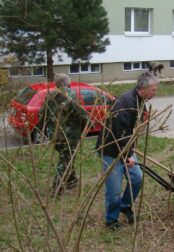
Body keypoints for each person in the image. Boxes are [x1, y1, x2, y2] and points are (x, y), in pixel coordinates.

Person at [96, 71, 159, 230]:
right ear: (143, 88)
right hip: (111, 149)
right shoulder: (126, 102)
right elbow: (120, 133)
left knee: (137, 178)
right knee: (114, 188)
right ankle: (111, 219)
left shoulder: (139, 100)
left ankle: (125, 206)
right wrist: (128, 155)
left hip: (125, 147)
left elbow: (132, 129)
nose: (155, 92)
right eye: (153, 89)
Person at [38, 73, 88, 197]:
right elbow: (79, 112)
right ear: (66, 83)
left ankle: (71, 180)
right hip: (69, 136)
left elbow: (42, 114)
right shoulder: (69, 94)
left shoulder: (49, 95)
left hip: (55, 135)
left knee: (66, 157)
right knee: (65, 160)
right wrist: (87, 122)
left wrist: (45, 129)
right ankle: (56, 189)